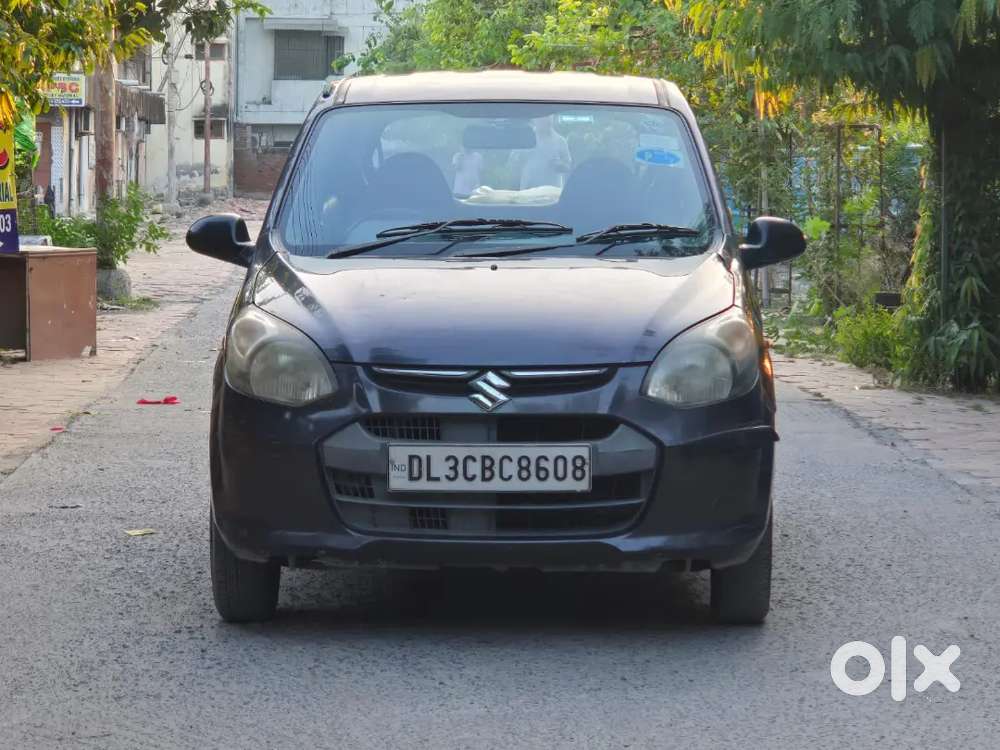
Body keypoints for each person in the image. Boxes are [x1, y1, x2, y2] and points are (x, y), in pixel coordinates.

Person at [513, 116, 571, 190]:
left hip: (552, 193)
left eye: (548, 118)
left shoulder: (560, 141)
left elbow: (567, 166)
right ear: (534, 120)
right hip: (528, 193)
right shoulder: (525, 138)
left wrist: (560, 166)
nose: (545, 120)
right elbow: (514, 166)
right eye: (541, 118)